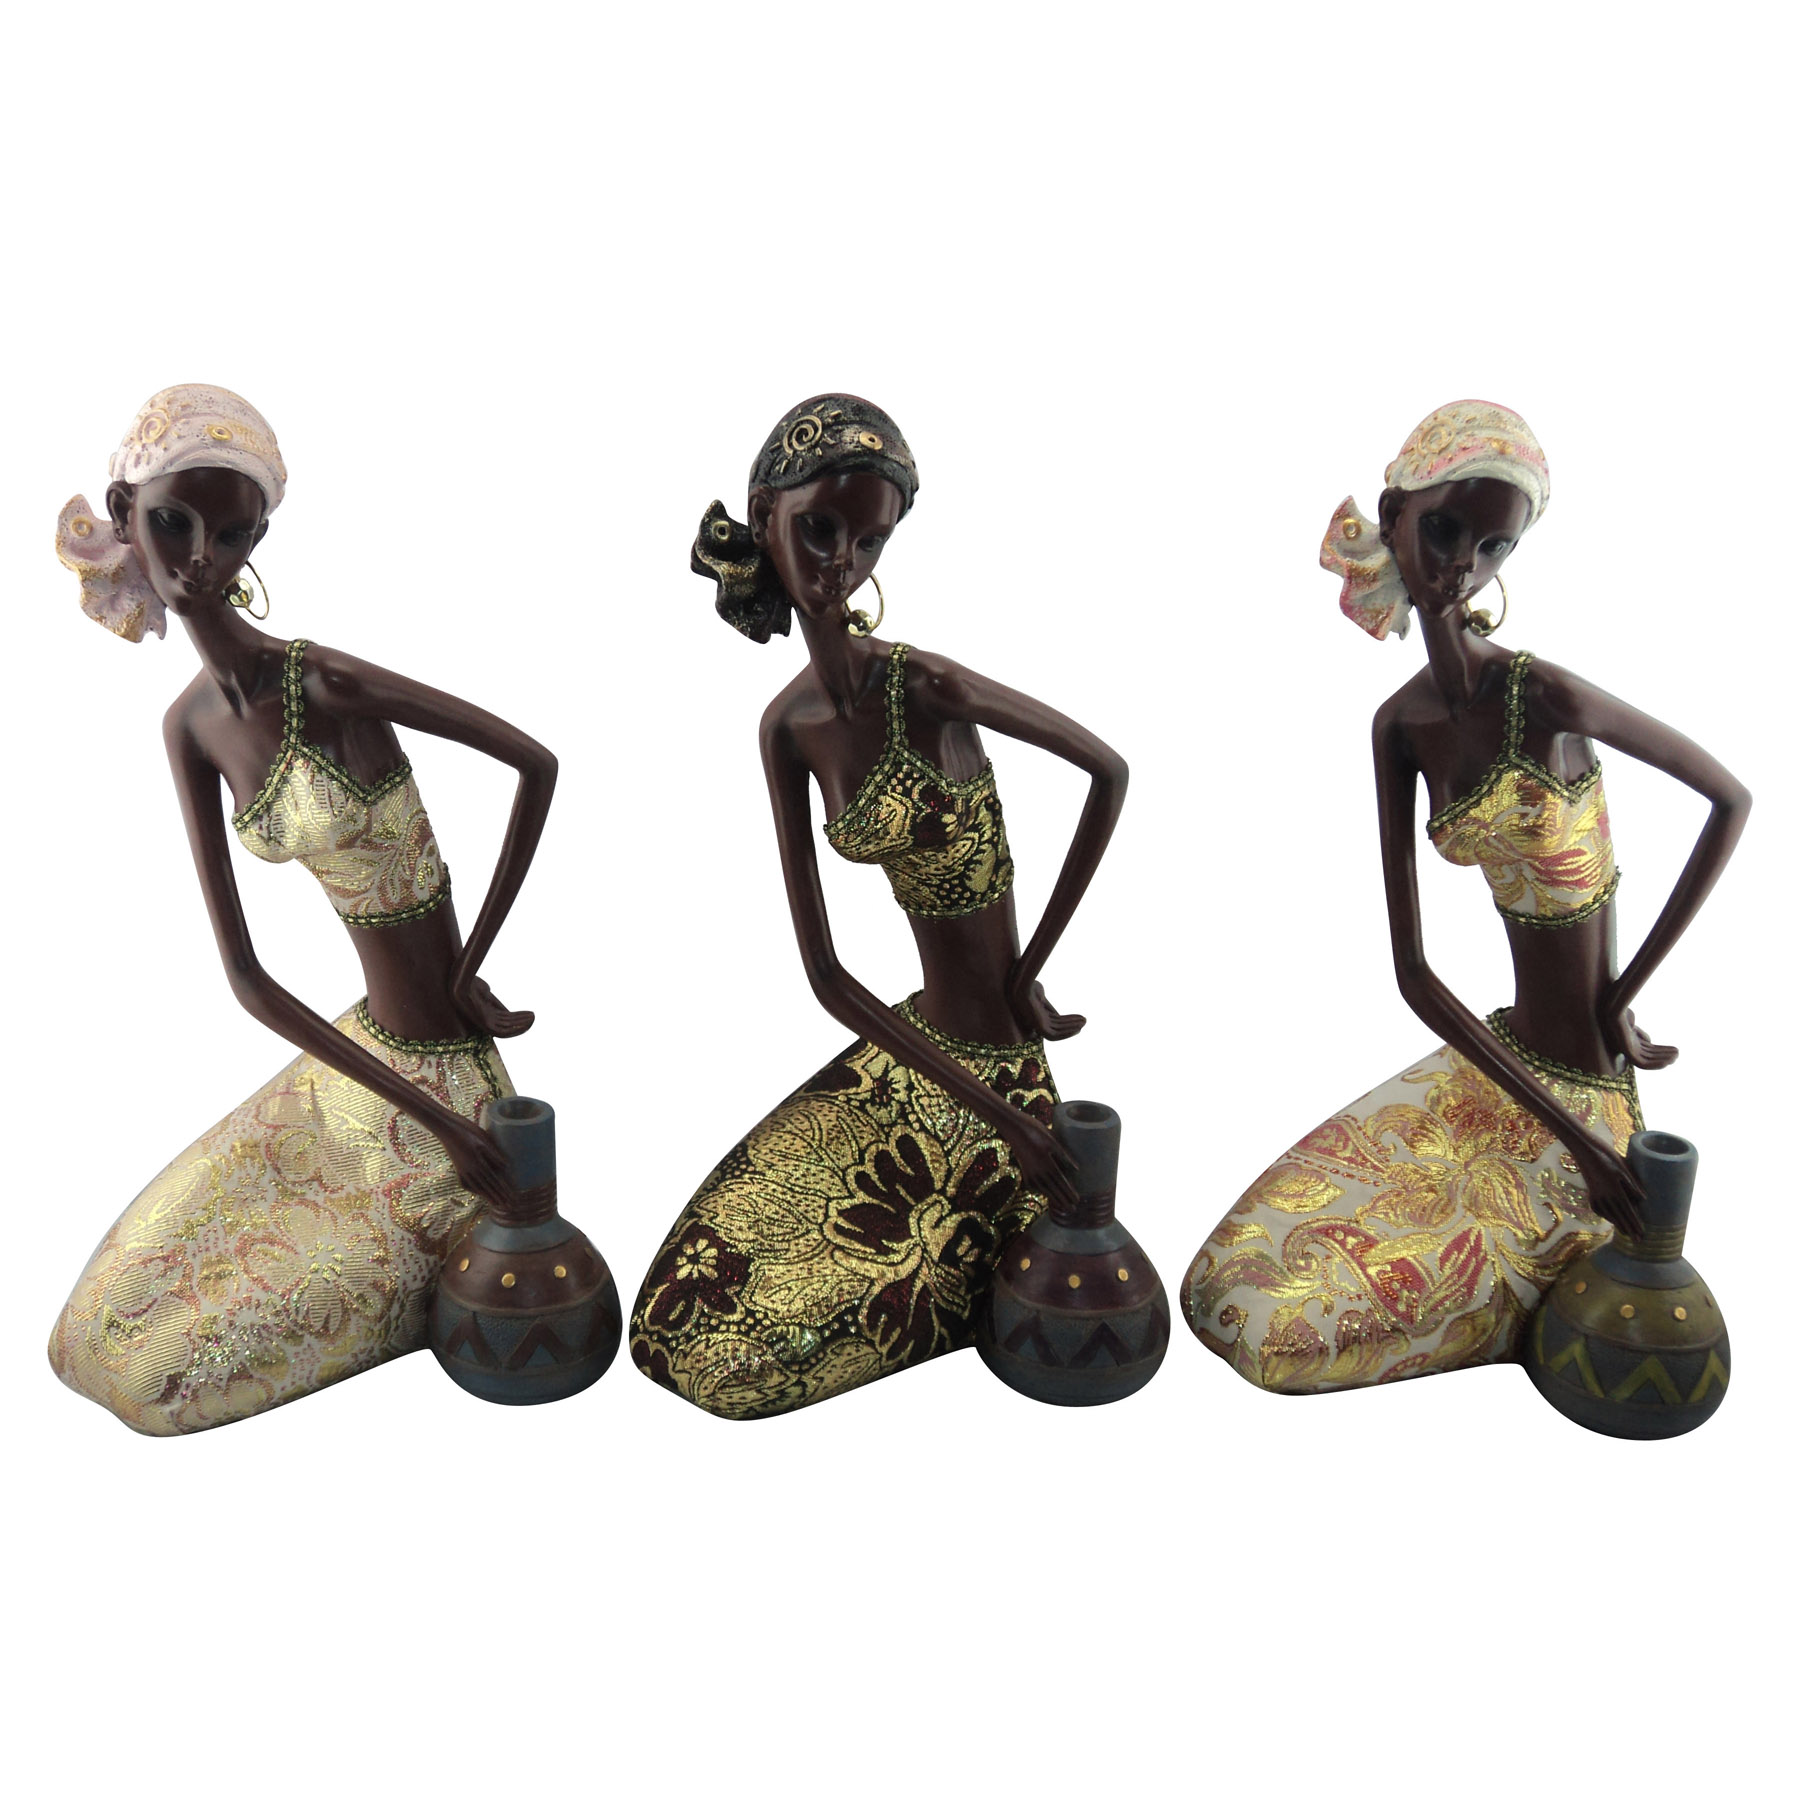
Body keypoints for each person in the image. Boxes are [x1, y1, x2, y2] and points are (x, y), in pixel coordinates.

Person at [1182, 400, 1749, 1394]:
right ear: (1393, 516)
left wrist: (1622, 1003)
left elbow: (1728, 802)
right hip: (1492, 1061)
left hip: (1592, 1097)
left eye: (1493, 546)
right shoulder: (1400, 725)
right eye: (1443, 530)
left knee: (1292, 1333)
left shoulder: (1545, 697)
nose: (1460, 565)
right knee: (1231, 1277)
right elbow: (1412, 970)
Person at [49, 385, 556, 1434]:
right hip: (352, 1066)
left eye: (232, 534)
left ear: (257, 544)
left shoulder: (324, 683)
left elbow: (534, 766)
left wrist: (471, 966)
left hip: (454, 1104)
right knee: (88, 1332)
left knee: (157, 1381)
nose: (201, 559)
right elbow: (245, 977)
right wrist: (397, 1084)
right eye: (174, 523)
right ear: (126, 513)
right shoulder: (190, 726)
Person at [631, 395, 1128, 1419]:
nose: (841, 563)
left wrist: (1031, 971)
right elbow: (824, 973)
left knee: (744, 1362)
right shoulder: (788, 728)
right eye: (819, 529)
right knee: (679, 1307)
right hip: (910, 1050)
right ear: (763, 518)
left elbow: (1106, 774)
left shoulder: (927, 687)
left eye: (869, 541)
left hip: (1009, 1083)